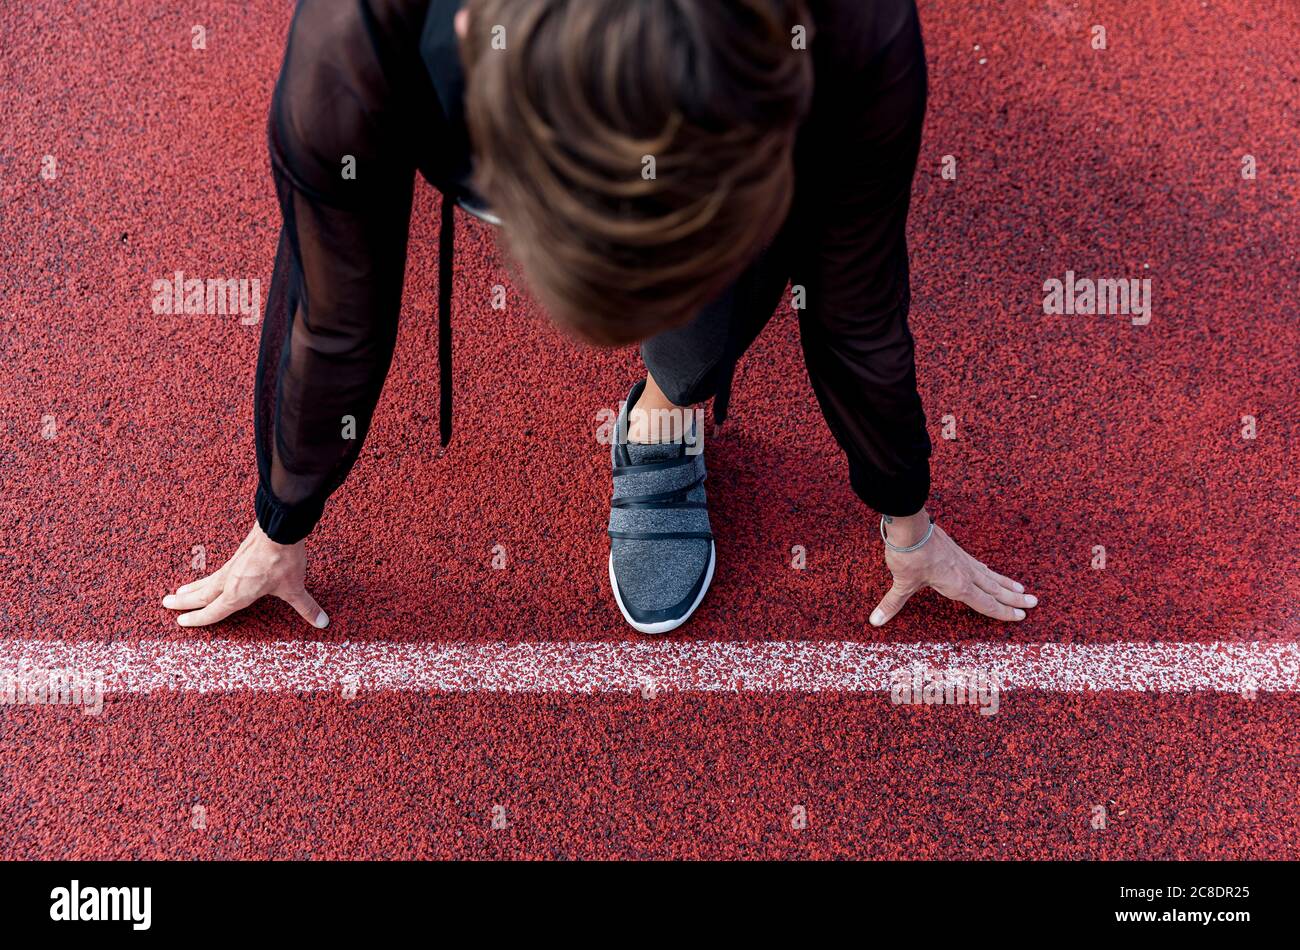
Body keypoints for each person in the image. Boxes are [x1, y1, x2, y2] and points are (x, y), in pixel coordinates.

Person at [162, 0, 1037, 633]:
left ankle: (669, 401)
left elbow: (857, 301)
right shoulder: (350, 57)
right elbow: (335, 313)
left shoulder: (854, 33)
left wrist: (906, 511)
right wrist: (283, 517)